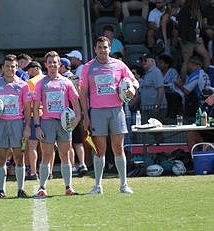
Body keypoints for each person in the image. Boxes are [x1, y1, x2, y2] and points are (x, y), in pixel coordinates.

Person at [79, 36, 139, 194]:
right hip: (97, 112)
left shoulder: (119, 64)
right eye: (99, 47)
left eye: (105, 47)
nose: (102, 50)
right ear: (95, 49)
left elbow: (134, 81)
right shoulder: (88, 68)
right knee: (100, 149)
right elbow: (83, 93)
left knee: (118, 148)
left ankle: (124, 184)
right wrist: (86, 115)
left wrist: (132, 89)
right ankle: (98, 186)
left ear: (110, 48)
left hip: (116, 110)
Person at [0, 54, 31, 198]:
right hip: (0, 124)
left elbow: (27, 108)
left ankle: (20, 189)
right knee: (0, 158)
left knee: (19, 157)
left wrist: (28, 126)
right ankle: (1, 190)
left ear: (17, 67)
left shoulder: (23, 85)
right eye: (7, 66)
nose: (10, 69)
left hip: (17, 124)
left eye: (13, 66)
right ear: (3, 67)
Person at [33, 51, 81, 198]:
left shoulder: (66, 82)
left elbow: (75, 103)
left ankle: (68, 187)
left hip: (64, 123)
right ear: (45, 64)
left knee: (65, 154)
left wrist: (77, 118)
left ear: (59, 64)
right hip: (47, 122)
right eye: (50, 62)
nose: (53, 65)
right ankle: (42, 187)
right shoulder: (41, 83)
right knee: (47, 155)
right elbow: (35, 107)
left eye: (55, 62)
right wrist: (37, 126)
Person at [59, 57, 88, 177]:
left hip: (67, 113)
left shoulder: (62, 79)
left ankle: (72, 166)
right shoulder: (76, 77)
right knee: (78, 141)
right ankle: (82, 164)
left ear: (63, 66)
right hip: (77, 112)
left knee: (69, 142)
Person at [177, 0, 210, 79]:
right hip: (187, 40)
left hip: (195, 39)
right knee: (186, 61)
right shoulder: (185, 11)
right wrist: (192, 39)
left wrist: (198, 36)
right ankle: (183, 82)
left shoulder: (196, 11)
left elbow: (197, 26)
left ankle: (205, 78)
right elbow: (183, 29)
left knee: (206, 56)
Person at [25, 61, 44, 180]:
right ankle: (49, 172)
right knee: (47, 146)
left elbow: (29, 102)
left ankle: (33, 172)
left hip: (34, 115)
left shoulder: (31, 82)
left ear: (36, 68)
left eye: (29, 69)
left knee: (32, 146)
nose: (28, 72)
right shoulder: (48, 79)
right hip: (47, 116)